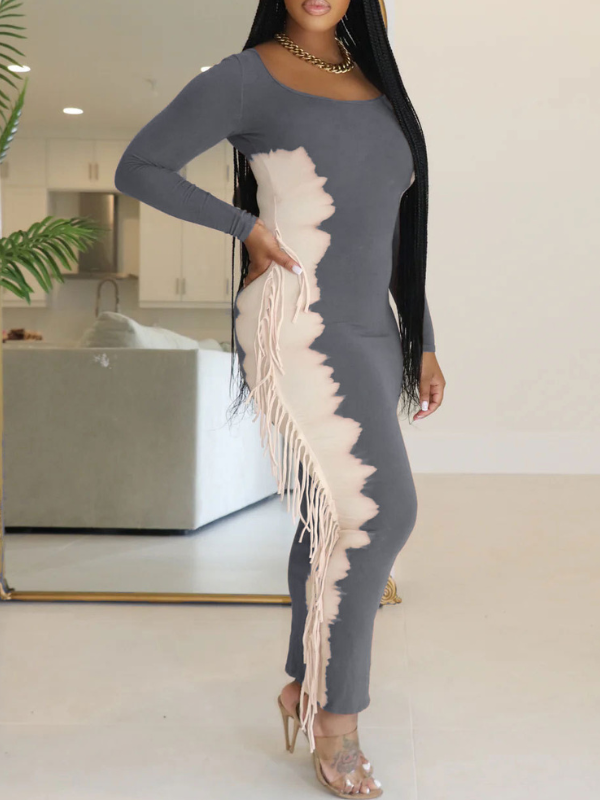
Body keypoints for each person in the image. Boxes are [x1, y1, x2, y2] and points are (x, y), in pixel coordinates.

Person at [114, 0, 446, 796]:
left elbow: (395, 233)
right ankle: (338, 721)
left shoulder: (377, 84)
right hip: (296, 319)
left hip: (375, 325)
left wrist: (423, 339)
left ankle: (306, 680)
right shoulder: (246, 77)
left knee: (329, 516)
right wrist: (246, 228)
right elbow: (140, 166)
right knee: (379, 513)